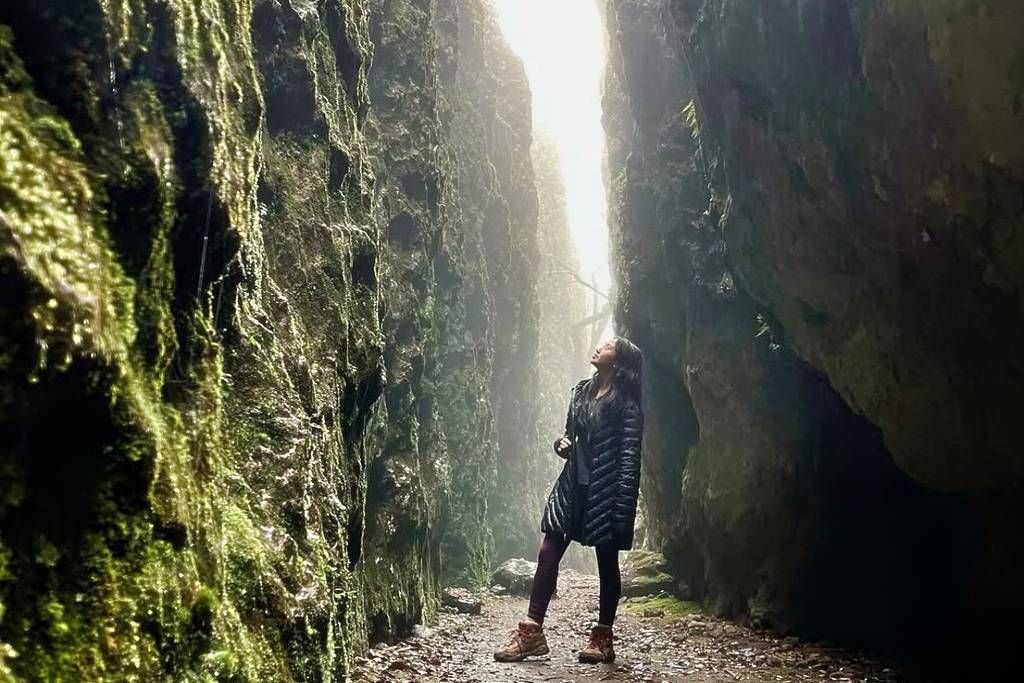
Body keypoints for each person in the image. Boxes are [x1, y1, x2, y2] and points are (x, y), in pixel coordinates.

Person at [494, 336, 644, 664]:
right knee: (548, 551)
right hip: (572, 487)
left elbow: (631, 459)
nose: (599, 348)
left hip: (606, 491)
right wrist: (561, 444)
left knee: (607, 562)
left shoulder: (627, 406)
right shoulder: (580, 393)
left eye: (606, 347)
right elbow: (567, 435)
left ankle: (603, 637)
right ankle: (531, 632)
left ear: (617, 363)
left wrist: (623, 507)